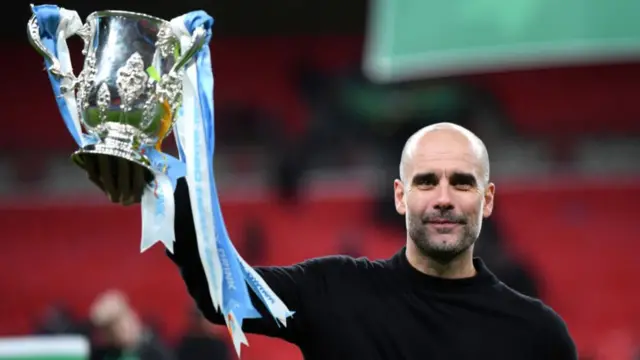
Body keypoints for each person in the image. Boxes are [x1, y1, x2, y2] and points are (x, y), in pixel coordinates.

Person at [83, 122, 577, 359]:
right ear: (401, 197)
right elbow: (222, 294)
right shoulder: (333, 290)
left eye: (461, 183)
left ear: (487, 199)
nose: (443, 198)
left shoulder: (537, 335)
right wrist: (161, 193)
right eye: (427, 182)